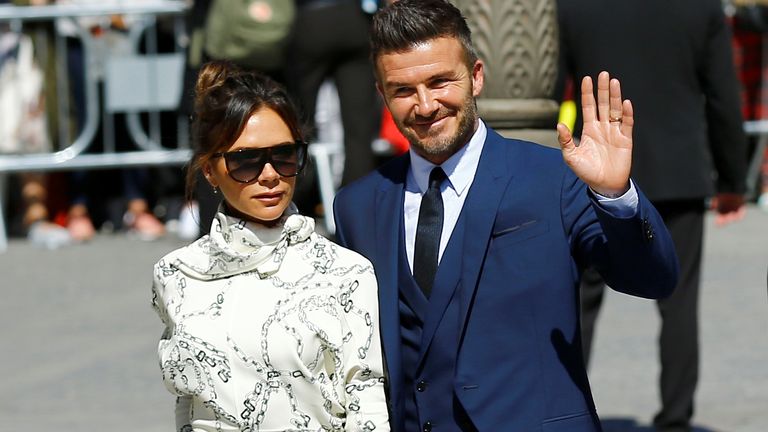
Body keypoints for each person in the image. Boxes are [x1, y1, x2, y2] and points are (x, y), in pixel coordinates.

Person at [332, 1, 679, 430]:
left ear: (476, 76)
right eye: (403, 90)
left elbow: (652, 278)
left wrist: (615, 195)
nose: (425, 106)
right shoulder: (358, 205)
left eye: (440, 82)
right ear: (381, 94)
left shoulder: (553, 179)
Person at [150, 61, 389, 431]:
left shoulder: (344, 272)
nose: (269, 176)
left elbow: (366, 402)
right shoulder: (176, 273)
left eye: (284, 156)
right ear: (209, 170)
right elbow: (189, 402)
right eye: (245, 161)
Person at [557, 1, 749, 430]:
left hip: (596, 170)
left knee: (578, 302)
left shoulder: (573, 7)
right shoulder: (700, 9)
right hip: (677, 170)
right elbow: (723, 94)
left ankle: (565, 412)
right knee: (679, 303)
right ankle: (675, 419)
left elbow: (552, 91)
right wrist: (732, 179)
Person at [287, 0, 383, 217]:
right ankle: (357, 210)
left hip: (310, 20)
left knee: (299, 124)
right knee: (359, 131)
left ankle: (298, 200)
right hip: (355, 19)